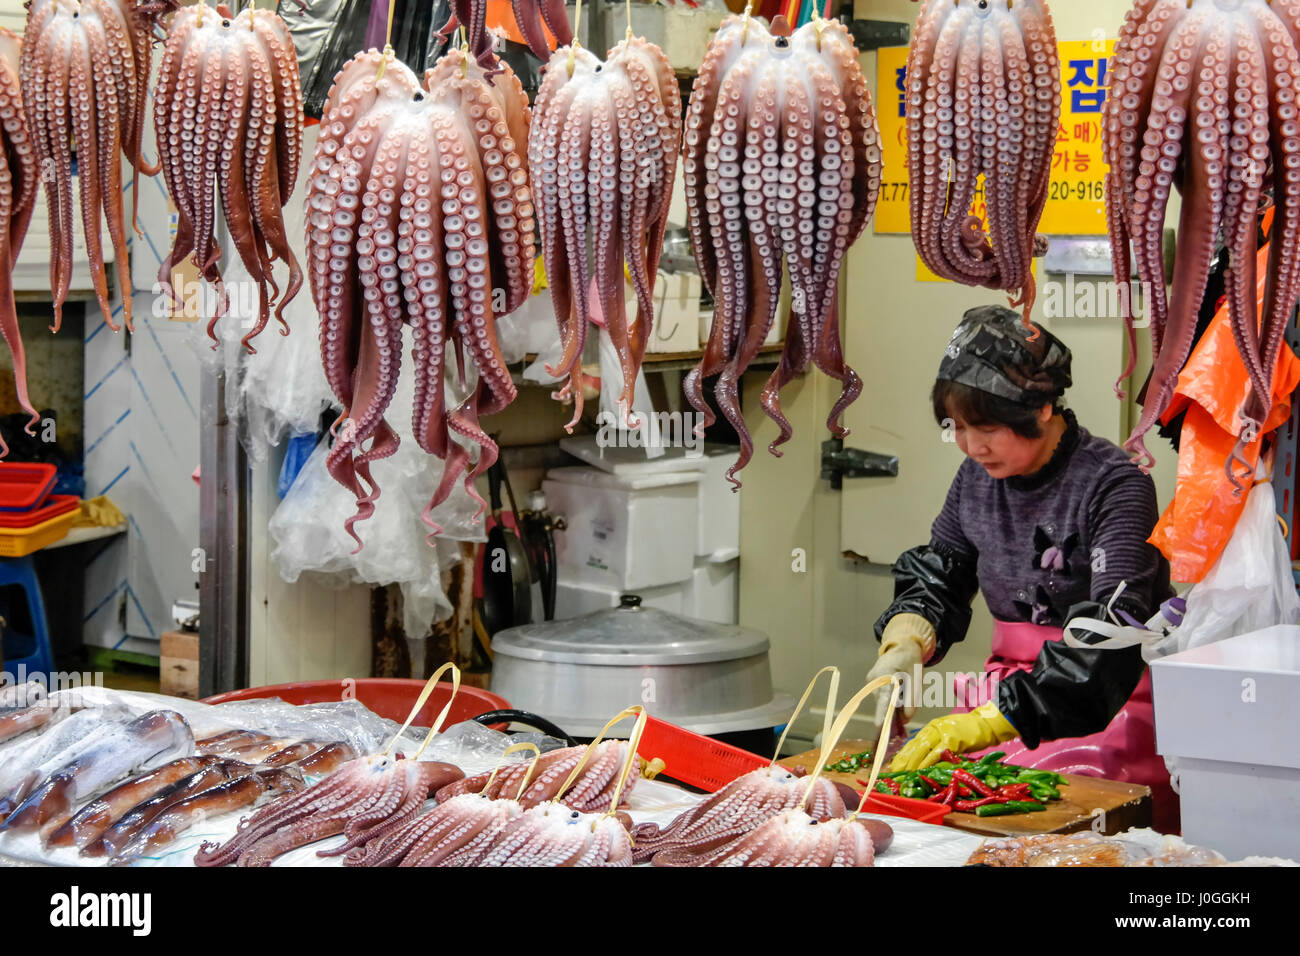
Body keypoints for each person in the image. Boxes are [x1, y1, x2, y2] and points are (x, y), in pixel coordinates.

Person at [866, 305, 1179, 832]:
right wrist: (904, 643)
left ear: (1040, 410)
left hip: (1101, 702)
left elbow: (1115, 631)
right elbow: (943, 571)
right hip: (1006, 697)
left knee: (1030, 821)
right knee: (936, 804)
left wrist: (991, 721)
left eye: (986, 427)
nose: (970, 446)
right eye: (958, 428)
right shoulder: (975, 479)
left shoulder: (1115, 485)